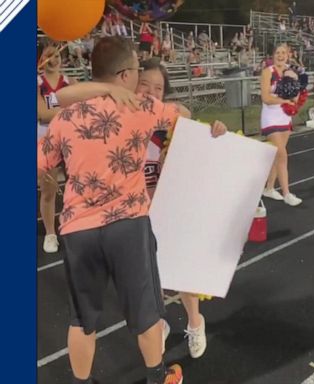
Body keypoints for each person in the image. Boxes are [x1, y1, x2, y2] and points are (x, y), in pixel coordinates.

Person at [56, 58, 227, 360]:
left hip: (170, 209)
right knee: (150, 278)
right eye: (143, 84)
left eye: (158, 88)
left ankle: (194, 321)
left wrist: (213, 130)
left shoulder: (168, 123)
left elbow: (188, 117)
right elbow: (63, 98)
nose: (150, 92)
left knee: (182, 269)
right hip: (134, 217)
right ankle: (157, 324)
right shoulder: (115, 121)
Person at [37, 36, 183, 384]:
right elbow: (185, 117)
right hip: (128, 224)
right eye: (134, 70)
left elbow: (43, 163)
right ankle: (158, 377)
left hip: (77, 229)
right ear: (123, 74)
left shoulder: (64, 116)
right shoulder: (142, 108)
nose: (137, 77)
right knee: (144, 312)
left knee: (81, 319)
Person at [38, 44, 76, 253]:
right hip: (46, 138)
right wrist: (66, 110)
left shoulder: (71, 82)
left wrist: (57, 110)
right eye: (48, 55)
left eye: (57, 54)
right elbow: (42, 114)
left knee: (76, 184)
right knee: (48, 189)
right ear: (41, 60)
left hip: (70, 138)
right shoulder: (36, 82)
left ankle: (72, 225)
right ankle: (50, 234)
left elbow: (80, 107)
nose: (54, 59)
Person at [260, 44, 302, 206]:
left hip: (285, 117)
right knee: (282, 155)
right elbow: (266, 98)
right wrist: (284, 100)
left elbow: (296, 98)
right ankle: (287, 193)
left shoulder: (291, 72)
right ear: (273, 55)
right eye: (277, 52)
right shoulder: (267, 72)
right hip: (270, 117)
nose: (280, 55)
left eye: (283, 53)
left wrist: (295, 87)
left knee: (277, 156)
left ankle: (269, 188)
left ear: (288, 55)